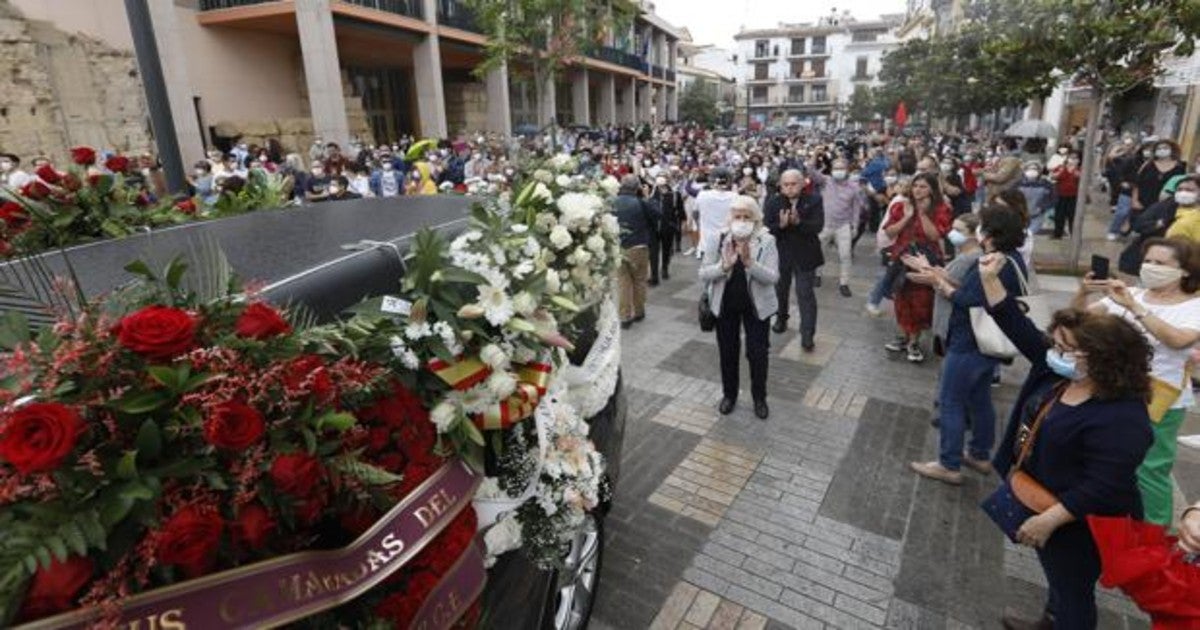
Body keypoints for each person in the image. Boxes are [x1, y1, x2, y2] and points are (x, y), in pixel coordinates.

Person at [979, 253, 1153, 630]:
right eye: (1055, 346)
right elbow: (1014, 322)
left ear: (1105, 359)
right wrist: (990, 278)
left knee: (1074, 591)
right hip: (1045, 499)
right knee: (1059, 580)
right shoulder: (1059, 375)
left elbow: (1104, 486)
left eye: (1066, 349)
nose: (1055, 354)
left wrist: (1049, 521)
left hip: (1081, 522)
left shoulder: (1123, 416)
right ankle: (1049, 621)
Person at [1074, 237, 1200, 527]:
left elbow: (1178, 339)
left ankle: (1155, 535)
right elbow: (1079, 321)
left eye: (1160, 263)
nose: (1150, 267)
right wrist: (1082, 293)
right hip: (1113, 389)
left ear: (1184, 271)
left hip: (1160, 398)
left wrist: (1134, 307)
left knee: (1150, 468)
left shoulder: (1193, 305)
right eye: (1147, 261)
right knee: (1104, 458)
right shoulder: (1129, 293)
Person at [904, 207, 1029, 484]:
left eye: (982, 227)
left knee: (951, 400)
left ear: (991, 232)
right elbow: (970, 286)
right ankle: (980, 453)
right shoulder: (1011, 259)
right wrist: (937, 272)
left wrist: (939, 282)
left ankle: (948, 463)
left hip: (970, 341)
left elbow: (967, 298)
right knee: (978, 397)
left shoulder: (996, 262)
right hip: (986, 343)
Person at [699, 195, 779, 420]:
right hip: (726, 306)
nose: (742, 221)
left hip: (757, 307)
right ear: (730, 218)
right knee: (727, 352)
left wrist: (749, 264)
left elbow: (773, 277)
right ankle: (729, 395)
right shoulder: (719, 237)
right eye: (737, 216)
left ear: (755, 219)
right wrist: (724, 266)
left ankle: (759, 398)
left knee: (758, 354)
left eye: (747, 217)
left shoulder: (766, 241)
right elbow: (703, 273)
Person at [883, 173, 952, 362]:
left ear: (932, 189)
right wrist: (907, 217)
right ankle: (906, 336)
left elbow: (935, 235)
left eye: (923, 186)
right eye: (915, 186)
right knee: (901, 299)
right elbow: (890, 232)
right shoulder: (901, 205)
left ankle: (914, 340)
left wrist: (922, 215)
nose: (918, 190)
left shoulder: (941, 208)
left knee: (921, 302)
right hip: (902, 259)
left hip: (926, 261)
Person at [764, 169, 824, 348]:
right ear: (780, 186)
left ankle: (807, 334)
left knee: (805, 294)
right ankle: (781, 318)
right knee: (780, 291)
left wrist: (799, 223)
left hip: (806, 255)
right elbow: (767, 228)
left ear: (802, 183)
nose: (790, 188)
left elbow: (817, 226)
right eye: (786, 185)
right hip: (781, 255)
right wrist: (780, 226)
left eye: (793, 184)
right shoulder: (773, 201)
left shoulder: (814, 199)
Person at [809, 157, 868, 297]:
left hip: (843, 226)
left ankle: (844, 283)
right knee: (819, 252)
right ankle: (817, 274)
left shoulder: (854, 187)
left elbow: (856, 208)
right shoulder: (826, 181)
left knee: (845, 255)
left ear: (847, 170)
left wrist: (855, 226)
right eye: (836, 168)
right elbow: (810, 171)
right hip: (825, 224)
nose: (838, 171)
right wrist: (815, 154)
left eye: (841, 168)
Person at [613, 175, 660, 329]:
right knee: (640, 280)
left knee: (623, 282)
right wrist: (648, 197)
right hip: (639, 245)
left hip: (620, 246)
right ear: (637, 187)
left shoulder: (612, 202)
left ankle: (625, 316)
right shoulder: (640, 203)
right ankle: (639, 311)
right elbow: (658, 214)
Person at [1132, 140, 1187, 215]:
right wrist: (1134, 201)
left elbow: (1182, 186)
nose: (1162, 150)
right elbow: (1137, 184)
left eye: (1165, 148)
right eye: (1159, 148)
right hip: (1142, 205)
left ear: (1172, 149)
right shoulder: (1148, 164)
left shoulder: (1180, 167)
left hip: (1165, 207)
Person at [696, 168, 737, 257]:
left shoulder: (702, 195)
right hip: (727, 243)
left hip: (707, 244)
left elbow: (696, 212)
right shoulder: (735, 196)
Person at [649, 176, 681, 283]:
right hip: (654, 228)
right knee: (653, 252)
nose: (660, 187)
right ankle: (654, 275)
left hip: (668, 227)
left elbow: (679, 211)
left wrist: (677, 226)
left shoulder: (674, 195)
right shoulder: (652, 193)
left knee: (666, 250)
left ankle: (664, 268)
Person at [1017, 162, 1055, 235]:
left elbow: (1053, 198)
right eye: (1029, 169)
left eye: (1035, 169)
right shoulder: (1018, 183)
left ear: (1039, 171)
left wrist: (1043, 207)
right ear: (1025, 170)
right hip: (1021, 214)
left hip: (1037, 215)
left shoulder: (1046, 184)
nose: (1032, 171)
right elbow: (1012, 197)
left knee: (1030, 234)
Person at [1049, 152, 1081, 240]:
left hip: (1073, 196)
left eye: (1075, 158)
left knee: (1072, 216)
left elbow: (1080, 178)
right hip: (1061, 195)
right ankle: (1057, 234)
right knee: (1059, 216)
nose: (1073, 160)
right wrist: (1062, 170)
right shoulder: (1061, 167)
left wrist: (1075, 171)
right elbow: (1053, 176)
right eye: (1071, 158)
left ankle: (1073, 234)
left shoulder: (1079, 169)